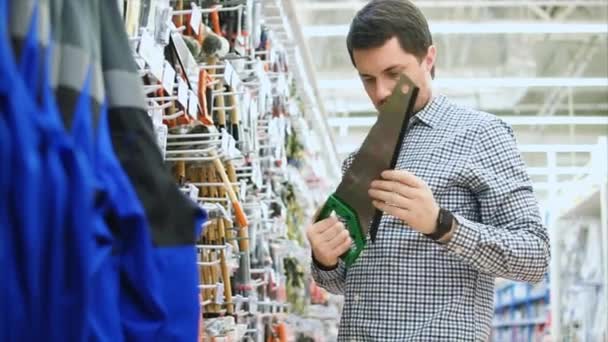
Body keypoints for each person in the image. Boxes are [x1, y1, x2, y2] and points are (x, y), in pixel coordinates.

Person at [305, 0, 551, 340]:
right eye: (367, 79)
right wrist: (325, 258)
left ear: (429, 58)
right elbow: (344, 283)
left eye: (394, 73)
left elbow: (535, 256)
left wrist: (442, 224)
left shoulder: (481, 134)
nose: (382, 92)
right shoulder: (358, 160)